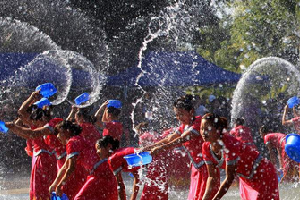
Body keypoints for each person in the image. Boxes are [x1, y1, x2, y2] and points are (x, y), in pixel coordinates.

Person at [201, 113, 279, 200]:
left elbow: (229, 179)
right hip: (246, 180)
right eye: (202, 129)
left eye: (207, 128)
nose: (203, 132)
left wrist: (215, 198)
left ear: (218, 129)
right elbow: (212, 177)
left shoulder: (229, 144)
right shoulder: (206, 147)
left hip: (263, 173)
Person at [143, 94, 208, 200]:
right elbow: (170, 138)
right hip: (196, 167)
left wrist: (160, 149)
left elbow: (181, 139)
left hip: (206, 167)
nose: (179, 118)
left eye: (181, 114)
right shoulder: (185, 126)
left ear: (191, 111)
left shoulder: (199, 122)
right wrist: (150, 147)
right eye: (177, 115)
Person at [5, 91, 58, 200]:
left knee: (41, 192)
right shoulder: (41, 123)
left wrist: (31, 99)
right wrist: (31, 99)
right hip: (45, 159)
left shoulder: (44, 124)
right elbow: (21, 115)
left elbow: (21, 115)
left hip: (43, 160)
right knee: (45, 191)